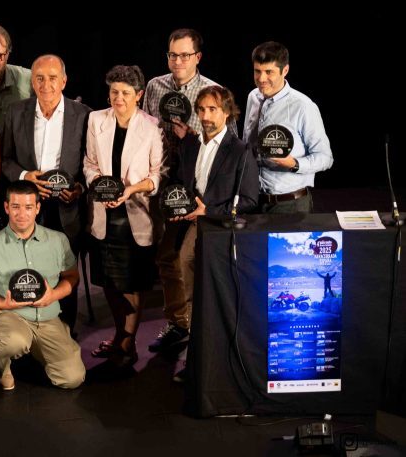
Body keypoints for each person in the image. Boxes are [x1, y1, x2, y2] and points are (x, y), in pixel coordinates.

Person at [162, 85, 258, 379]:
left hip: (222, 231)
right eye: (201, 110)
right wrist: (178, 205)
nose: (205, 116)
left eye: (212, 109)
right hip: (193, 226)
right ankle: (196, 354)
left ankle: (219, 359)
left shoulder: (240, 151)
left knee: (217, 297)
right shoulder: (191, 145)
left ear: (227, 112)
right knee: (190, 286)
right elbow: (182, 184)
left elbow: (250, 201)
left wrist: (210, 210)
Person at [83, 65, 163, 380]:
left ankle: (128, 344)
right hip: (103, 215)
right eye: (114, 92)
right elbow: (89, 163)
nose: (119, 98)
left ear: (139, 95)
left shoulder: (152, 127)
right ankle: (119, 335)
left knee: (132, 283)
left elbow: (157, 174)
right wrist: (99, 185)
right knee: (109, 282)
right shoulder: (96, 120)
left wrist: (129, 189)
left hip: (136, 215)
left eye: (126, 93)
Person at [1, 54, 91, 331]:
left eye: (53, 78)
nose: (46, 84)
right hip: (28, 208)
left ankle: (65, 329)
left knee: (65, 271)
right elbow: (5, 160)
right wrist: (24, 176)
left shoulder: (84, 115)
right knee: (26, 269)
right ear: (32, 82)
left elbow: (92, 161)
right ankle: (29, 329)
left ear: (64, 81)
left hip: (67, 208)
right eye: (39, 78)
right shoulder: (16, 112)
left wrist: (79, 188)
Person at [0, 181, 85, 390]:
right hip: (11, 315)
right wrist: (3, 305)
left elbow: (72, 276)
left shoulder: (58, 240)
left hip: (48, 317)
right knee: (12, 343)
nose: (22, 214)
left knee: (72, 379)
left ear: (37, 208)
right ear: (6, 207)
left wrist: (53, 295)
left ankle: (45, 345)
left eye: (28, 207)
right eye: (15, 207)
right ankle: (2, 367)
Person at [242, 41, 333, 213]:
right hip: (253, 200)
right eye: (257, 71)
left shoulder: (303, 106)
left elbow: (325, 158)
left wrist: (294, 163)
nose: (261, 79)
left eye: (269, 72)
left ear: (285, 70)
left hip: (290, 204)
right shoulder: (252, 97)